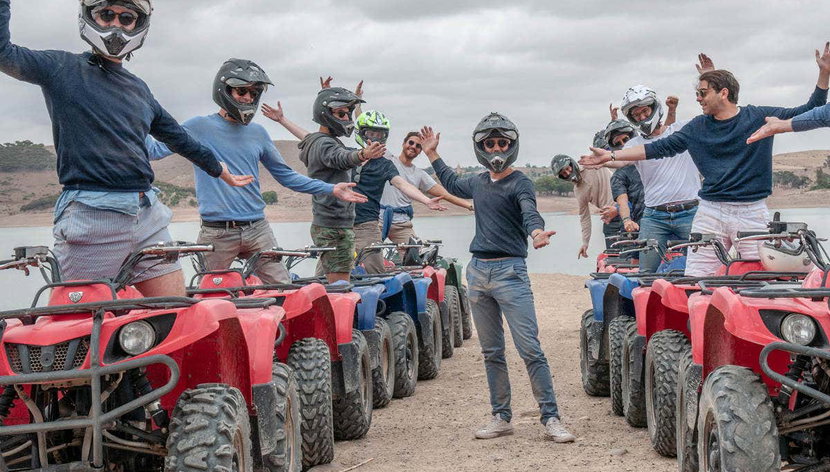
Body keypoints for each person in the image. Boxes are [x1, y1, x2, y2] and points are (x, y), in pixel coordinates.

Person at [0, 0, 252, 297]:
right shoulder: (61, 68)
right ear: (90, 17)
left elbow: (178, 137)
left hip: (148, 216)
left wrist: (218, 169)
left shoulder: (138, 89)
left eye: (126, 18)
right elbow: (5, 54)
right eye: (106, 15)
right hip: (93, 216)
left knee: (173, 310)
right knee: (79, 319)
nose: (115, 25)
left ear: (138, 24)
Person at [581, 48, 830, 275]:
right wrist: (611, 155)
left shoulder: (757, 116)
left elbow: (810, 110)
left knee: (758, 275)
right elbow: (658, 148)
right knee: (696, 277)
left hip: (752, 211)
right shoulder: (697, 127)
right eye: (697, 94)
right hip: (710, 211)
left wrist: (824, 74)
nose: (698, 99)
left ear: (723, 93)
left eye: (702, 93)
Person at [421, 113, 575, 443]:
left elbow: (529, 211)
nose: (496, 149)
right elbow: (451, 182)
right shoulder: (477, 182)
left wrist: (536, 232)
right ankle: (501, 417)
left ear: (512, 145)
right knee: (492, 351)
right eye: (489, 143)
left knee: (530, 349)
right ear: (481, 147)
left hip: (510, 272)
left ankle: (551, 418)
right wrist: (432, 153)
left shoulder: (521, 182)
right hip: (478, 273)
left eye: (502, 143)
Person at [146, 59, 367, 283]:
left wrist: (331, 189)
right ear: (224, 89)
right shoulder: (198, 126)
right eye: (242, 91)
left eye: (253, 93)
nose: (248, 98)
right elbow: (154, 150)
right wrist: (136, 118)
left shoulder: (258, 133)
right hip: (218, 231)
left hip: (257, 228)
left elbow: (286, 176)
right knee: (206, 294)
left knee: (283, 289)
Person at [263, 95, 443, 276]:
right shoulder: (347, 155)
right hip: (339, 224)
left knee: (376, 272)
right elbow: (311, 139)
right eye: (371, 133)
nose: (375, 138)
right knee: (323, 275)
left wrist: (426, 200)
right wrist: (282, 120)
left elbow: (402, 184)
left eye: (380, 135)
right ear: (361, 133)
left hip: (367, 225)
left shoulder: (385, 164)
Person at [602, 87, 701, 271]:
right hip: (655, 216)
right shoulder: (634, 144)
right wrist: (602, 159)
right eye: (636, 115)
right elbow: (620, 160)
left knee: (702, 268)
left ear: (655, 107)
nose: (642, 117)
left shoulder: (681, 130)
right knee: (646, 272)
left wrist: (673, 110)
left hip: (690, 211)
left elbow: (713, 118)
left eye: (645, 111)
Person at [379, 132, 473, 249]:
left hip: (402, 224)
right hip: (378, 220)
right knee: (368, 253)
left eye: (418, 146)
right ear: (403, 143)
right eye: (411, 143)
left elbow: (445, 194)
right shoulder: (388, 159)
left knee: (415, 254)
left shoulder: (419, 174)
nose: (413, 146)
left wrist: (470, 206)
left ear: (420, 151)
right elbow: (370, 139)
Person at [550, 154, 614, 258]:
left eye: (567, 169)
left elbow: (604, 154)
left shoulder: (590, 165)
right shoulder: (578, 190)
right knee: (613, 258)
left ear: (572, 163)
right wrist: (585, 243)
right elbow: (585, 217)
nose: (568, 173)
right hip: (611, 219)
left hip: (625, 205)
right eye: (564, 174)